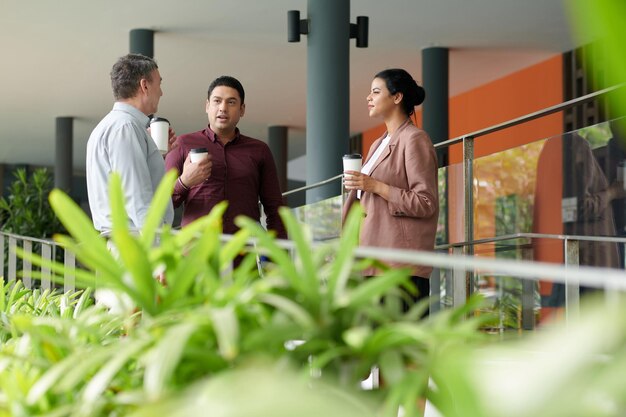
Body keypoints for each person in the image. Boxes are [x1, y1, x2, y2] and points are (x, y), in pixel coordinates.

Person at [342, 68, 439, 308]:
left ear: (397, 97)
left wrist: (375, 185)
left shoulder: (414, 139)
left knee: (399, 342)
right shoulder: (378, 144)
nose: (368, 97)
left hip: (399, 266)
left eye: (376, 92)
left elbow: (426, 202)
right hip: (371, 262)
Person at [165, 76, 287, 238]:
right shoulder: (183, 144)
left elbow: (274, 209)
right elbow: (161, 204)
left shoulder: (260, 150)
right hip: (195, 252)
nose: (223, 108)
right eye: (217, 101)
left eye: (231, 102)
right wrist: (184, 182)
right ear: (207, 106)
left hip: (243, 252)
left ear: (242, 109)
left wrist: (277, 258)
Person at [86, 53, 176, 235]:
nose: (161, 92)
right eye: (159, 84)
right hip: (136, 247)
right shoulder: (126, 128)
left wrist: (154, 154)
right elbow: (138, 201)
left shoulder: (110, 126)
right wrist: (163, 250)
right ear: (144, 85)